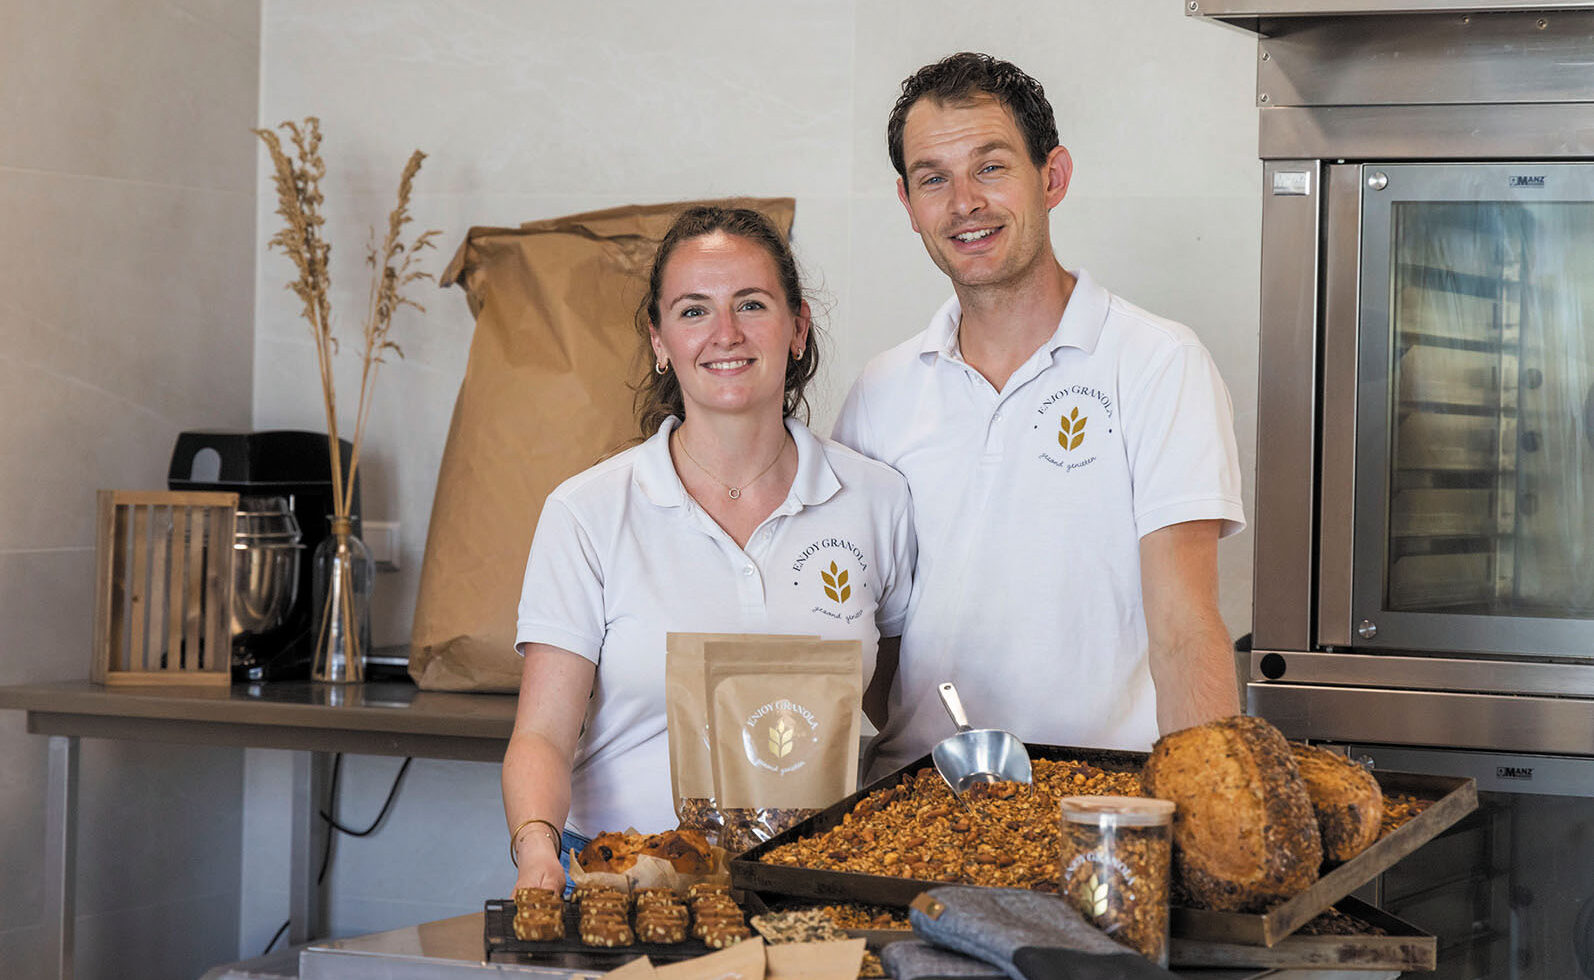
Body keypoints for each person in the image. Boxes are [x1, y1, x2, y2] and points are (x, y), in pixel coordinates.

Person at [833, 53, 1245, 780]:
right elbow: (870, 641)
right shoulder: (881, 392)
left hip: (1104, 800)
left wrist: (1208, 807)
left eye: (990, 168)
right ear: (907, 203)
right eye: (934, 178)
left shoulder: (1156, 363)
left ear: (1051, 178)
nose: (964, 202)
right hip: (915, 803)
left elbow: (1185, 628)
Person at [502, 206, 916, 891]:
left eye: (750, 304)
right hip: (622, 878)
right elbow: (542, 735)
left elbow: (895, 708)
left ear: (798, 327)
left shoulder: (877, 501)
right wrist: (538, 851)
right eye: (694, 311)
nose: (725, 334)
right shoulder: (588, 512)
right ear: (659, 339)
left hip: (809, 884)